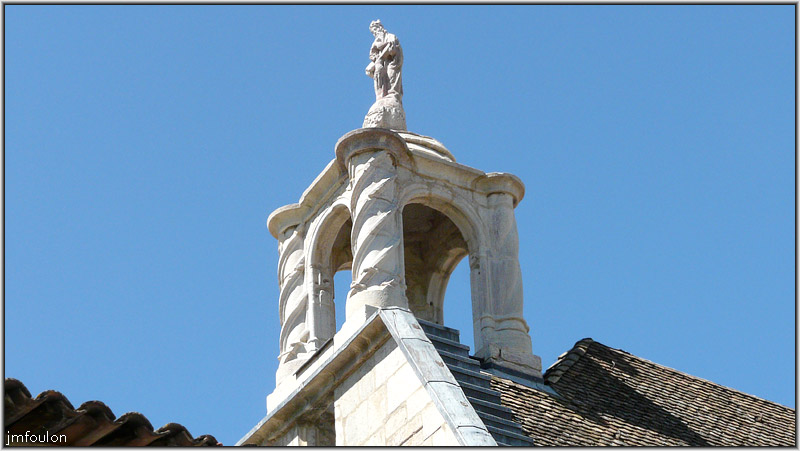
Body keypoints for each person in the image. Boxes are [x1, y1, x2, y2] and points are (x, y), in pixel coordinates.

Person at [365, 20, 403, 103]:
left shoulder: (390, 36)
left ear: (380, 28)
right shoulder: (375, 42)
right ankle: (381, 94)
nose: (375, 32)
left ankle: (393, 94)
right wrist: (376, 59)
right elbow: (372, 54)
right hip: (380, 62)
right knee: (376, 75)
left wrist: (383, 55)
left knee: (391, 76)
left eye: (375, 29)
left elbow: (393, 48)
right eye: (373, 31)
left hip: (392, 61)